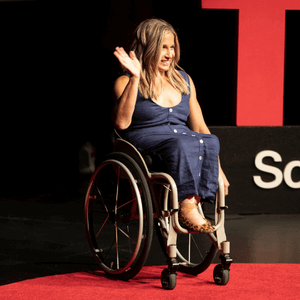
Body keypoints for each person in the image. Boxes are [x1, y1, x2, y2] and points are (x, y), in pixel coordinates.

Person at [112, 18, 230, 233]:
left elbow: (200, 128)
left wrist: (218, 170)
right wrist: (136, 77)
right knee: (181, 143)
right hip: (146, 142)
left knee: (210, 140)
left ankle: (193, 201)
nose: (170, 54)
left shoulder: (183, 79)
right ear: (148, 49)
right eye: (163, 48)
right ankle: (186, 205)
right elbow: (121, 123)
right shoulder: (125, 82)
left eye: (172, 47)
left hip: (180, 141)